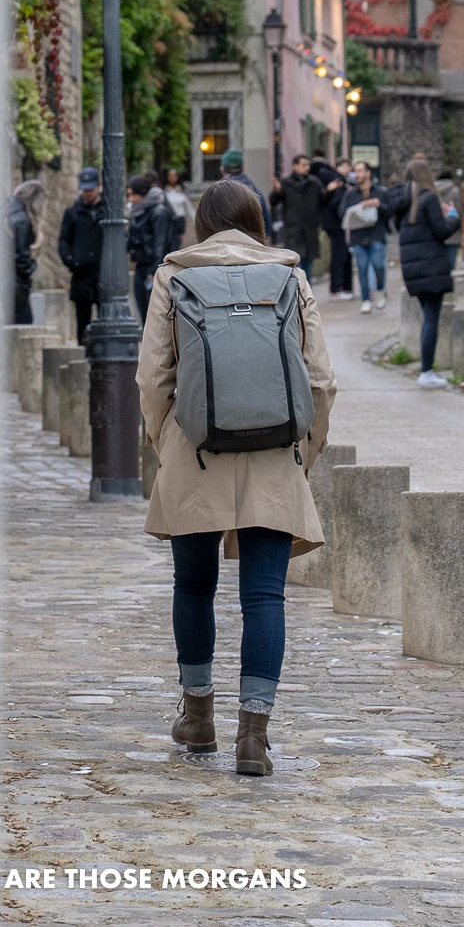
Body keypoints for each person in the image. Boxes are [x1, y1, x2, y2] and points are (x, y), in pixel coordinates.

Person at [136, 177, 336, 777]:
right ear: (257, 222)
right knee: (264, 595)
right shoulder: (289, 277)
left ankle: (199, 718)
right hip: (275, 450)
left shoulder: (175, 276)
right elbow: (321, 379)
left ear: (201, 224)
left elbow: (152, 378)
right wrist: (307, 450)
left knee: (193, 587)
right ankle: (254, 735)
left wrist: (167, 440)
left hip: (195, 450)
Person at [384, 158, 460, 387]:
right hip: (432, 267)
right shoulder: (428, 198)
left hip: (413, 268)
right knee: (431, 319)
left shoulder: (402, 203)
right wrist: (454, 218)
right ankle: (426, 371)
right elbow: (441, 231)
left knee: (427, 317)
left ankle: (427, 369)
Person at [59, 167, 104, 343]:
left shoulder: (106, 211)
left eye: (91, 189)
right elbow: (64, 241)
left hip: (101, 275)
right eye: (85, 190)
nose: (88, 193)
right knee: (82, 323)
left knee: (105, 322)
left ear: (98, 187)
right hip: (81, 275)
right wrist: (71, 261)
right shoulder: (72, 213)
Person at [128, 172, 177, 323]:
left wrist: (154, 270)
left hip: (153, 267)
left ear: (141, 194)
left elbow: (160, 244)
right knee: (143, 311)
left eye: (132, 195)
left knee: (154, 314)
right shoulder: (138, 212)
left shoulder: (158, 212)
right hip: (141, 265)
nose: (130, 199)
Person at [341, 160, 389, 312]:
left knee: (379, 265)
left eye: (361, 170)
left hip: (376, 234)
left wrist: (378, 205)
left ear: (368, 173)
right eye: (356, 171)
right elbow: (342, 212)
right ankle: (366, 299)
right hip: (358, 236)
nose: (358, 174)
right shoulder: (350, 194)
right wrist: (356, 209)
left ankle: (380, 290)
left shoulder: (379, 191)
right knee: (362, 268)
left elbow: (390, 212)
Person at [276, 153, 324, 283]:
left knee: (308, 266)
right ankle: (297, 296)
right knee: (296, 265)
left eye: (307, 165)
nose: (307, 168)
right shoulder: (286, 183)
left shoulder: (314, 182)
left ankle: (307, 296)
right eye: (303, 165)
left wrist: (329, 192)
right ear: (295, 166)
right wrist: (277, 191)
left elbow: (323, 201)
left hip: (310, 229)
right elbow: (274, 201)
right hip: (293, 230)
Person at [317, 155, 355, 300]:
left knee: (342, 254)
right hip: (336, 223)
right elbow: (336, 202)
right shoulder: (338, 181)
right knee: (340, 254)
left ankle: (343, 286)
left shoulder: (338, 180)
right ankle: (337, 287)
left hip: (335, 223)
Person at [7, 179, 44, 324]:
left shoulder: (5, 211)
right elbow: (21, 259)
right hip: (15, 283)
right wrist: (33, 262)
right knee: (24, 323)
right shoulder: (22, 220)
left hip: (2, 279)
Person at [219, 148, 272, 235]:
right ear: (243, 168)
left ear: (222, 169)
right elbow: (267, 228)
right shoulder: (255, 192)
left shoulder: (216, 194)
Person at [434, 169, 462, 271]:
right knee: (451, 267)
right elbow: (459, 211)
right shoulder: (455, 191)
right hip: (452, 233)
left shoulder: (432, 190)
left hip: (437, 231)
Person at [162, 168, 194, 248]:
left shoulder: (182, 191)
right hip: (168, 221)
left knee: (176, 245)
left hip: (179, 221)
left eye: (174, 176)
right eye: (170, 176)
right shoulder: (164, 191)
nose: (172, 178)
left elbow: (189, 208)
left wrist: (196, 221)